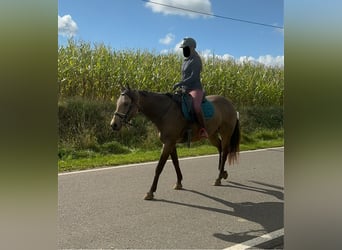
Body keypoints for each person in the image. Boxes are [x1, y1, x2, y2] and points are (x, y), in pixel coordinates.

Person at [173, 37, 208, 138]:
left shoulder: (196, 60)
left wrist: (180, 83)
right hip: (185, 89)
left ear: (192, 47)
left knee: (196, 107)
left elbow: (194, 77)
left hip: (195, 89)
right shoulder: (185, 61)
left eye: (186, 48)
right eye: (183, 48)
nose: (184, 50)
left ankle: (203, 129)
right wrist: (181, 85)